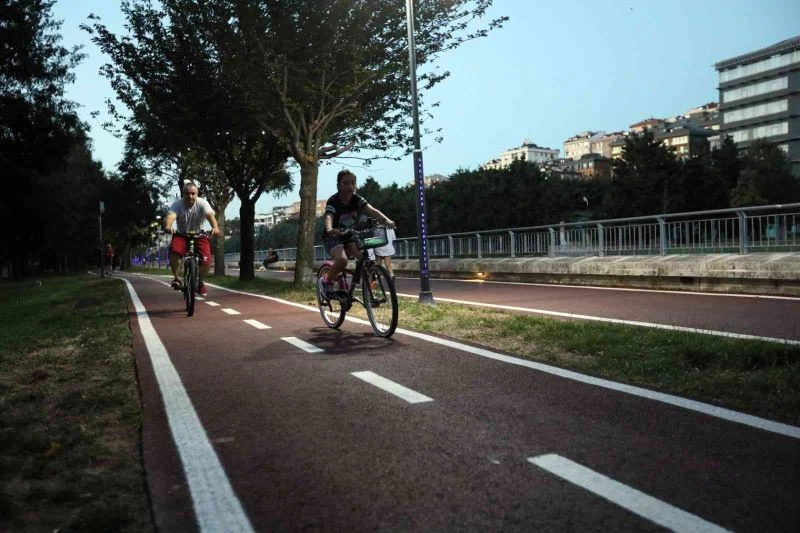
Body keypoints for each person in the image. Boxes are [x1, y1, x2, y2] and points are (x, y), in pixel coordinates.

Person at [319, 169, 395, 299]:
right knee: (342, 260)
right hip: (333, 237)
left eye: (353, 183)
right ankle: (326, 281)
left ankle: (369, 294)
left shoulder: (357, 199)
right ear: (339, 186)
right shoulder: (333, 200)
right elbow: (329, 216)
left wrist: (386, 220)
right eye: (346, 183)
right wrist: (330, 228)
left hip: (350, 236)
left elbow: (372, 211)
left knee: (366, 261)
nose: (350, 186)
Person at [164, 181, 220, 296]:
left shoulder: (203, 203)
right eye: (187, 193)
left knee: (206, 260)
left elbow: (210, 216)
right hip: (181, 234)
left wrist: (215, 227)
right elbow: (171, 216)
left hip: (200, 235)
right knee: (175, 252)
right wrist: (168, 226)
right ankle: (176, 279)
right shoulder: (177, 204)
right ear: (183, 194)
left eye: (193, 193)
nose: (190, 196)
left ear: (197, 194)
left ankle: (200, 283)